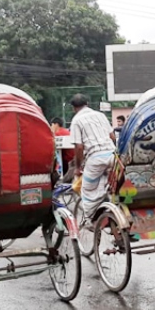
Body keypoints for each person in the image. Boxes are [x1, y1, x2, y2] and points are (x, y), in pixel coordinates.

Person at [69, 94, 116, 223]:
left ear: (73, 108)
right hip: (112, 156)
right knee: (112, 186)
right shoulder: (100, 115)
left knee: (87, 190)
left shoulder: (76, 121)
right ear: (87, 103)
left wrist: (78, 168)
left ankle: (91, 221)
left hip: (95, 159)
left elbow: (79, 147)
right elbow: (112, 137)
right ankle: (114, 210)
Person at [50, 118, 76, 182]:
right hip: (73, 159)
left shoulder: (58, 134)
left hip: (66, 161)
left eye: (51, 125)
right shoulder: (66, 131)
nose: (51, 127)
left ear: (56, 124)